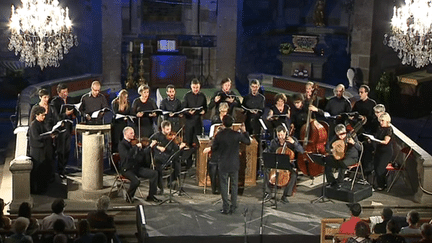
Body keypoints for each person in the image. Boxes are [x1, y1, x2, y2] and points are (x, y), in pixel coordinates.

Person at [204, 115, 250, 215]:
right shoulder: (236, 135)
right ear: (232, 124)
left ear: (223, 123)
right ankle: (233, 207)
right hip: (234, 164)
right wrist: (244, 131)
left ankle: (225, 207)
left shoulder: (219, 135)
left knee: (224, 185)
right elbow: (248, 141)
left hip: (223, 163)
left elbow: (214, 147)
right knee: (234, 185)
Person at [118, 127, 160, 203]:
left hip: (136, 168)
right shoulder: (122, 145)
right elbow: (127, 156)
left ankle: (151, 196)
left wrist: (148, 147)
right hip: (127, 169)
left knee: (154, 173)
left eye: (133, 133)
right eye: (131, 133)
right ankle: (129, 196)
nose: (133, 135)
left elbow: (142, 155)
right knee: (136, 181)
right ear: (125, 133)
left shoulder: (134, 144)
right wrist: (135, 148)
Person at [263, 125, 304, 203]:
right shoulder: (274, 142)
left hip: (287, 165)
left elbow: (301, 151)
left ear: (285, 133)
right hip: (276, 164)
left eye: (282, 135)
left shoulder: (292, 140)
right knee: (266, 170)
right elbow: (268, 150)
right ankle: (268, 193)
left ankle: (285, 195)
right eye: (278, 135)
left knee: (294, 175)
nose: (280, 137)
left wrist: (294, 143)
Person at [150, 120, 187, 191]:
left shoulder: (172, 137)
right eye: (167, 129)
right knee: (158, 166)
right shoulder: (157, 135)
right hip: (160, 157)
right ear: (163, 129)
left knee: (177, 164)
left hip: (170, 156)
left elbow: (174, 149)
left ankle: (170, 179)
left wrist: (179, 147)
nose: (169, 131)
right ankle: (160, 187)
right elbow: (149, 143)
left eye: (170, 129)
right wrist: (158, 147)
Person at [51, 83, 76, 178]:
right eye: (63, 92)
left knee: (67, 149)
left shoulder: (70, 100)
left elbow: (74, 111)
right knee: (60, 150)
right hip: (60, 129)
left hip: (68, 127)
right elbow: (55, 116)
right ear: (59, 93)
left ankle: (64, 168)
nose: (65, 94)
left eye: (66, 91)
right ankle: (60, 170)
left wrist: (74, 113)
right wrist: (65, 114)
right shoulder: (55, 102)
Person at [28, 106, 55, 194]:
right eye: (42, 115)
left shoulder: (42, 123)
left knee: (42, 169)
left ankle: (42, 188)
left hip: (42, 149)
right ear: (37, 115)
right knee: (37, 170)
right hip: (36, 150)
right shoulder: (33, 125)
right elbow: (36, 137)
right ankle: (35, 190)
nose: (44, 117)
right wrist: (48, 136)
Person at [208, 102, 230, 194]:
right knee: (213, 166)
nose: (224, 113)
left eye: (226, 111)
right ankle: (214, 187)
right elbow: (211, 136)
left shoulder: (229, 119)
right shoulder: (215, 119)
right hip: (217, 147)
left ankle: (224, 187)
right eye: (223, 111)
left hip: (226, 148)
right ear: (220, 111)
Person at [370, 112, 393, 191]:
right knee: (376, 167)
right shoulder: (379, 128)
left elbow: (386, 141)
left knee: (380, 168)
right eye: (380, 121)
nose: (381, 122)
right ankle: (379, 184)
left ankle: (382, 185)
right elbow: (376, 136)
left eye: (382, 121)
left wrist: (377, 141)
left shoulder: (389, 129)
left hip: (385, 152)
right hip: (379, 150)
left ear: (387, 121)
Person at [182, 78, 207, 147]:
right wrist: (188, 112)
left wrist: (204, 111)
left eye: (197, 87)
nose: (196, 89)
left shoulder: (202, 96)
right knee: (189, 142)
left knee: (197, 142)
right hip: (189, 122)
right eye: (194, 87)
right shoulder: (187, 96)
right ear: (191, 87)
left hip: (198, 122)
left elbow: (205, 108)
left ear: (199, 87)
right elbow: (183, 109)